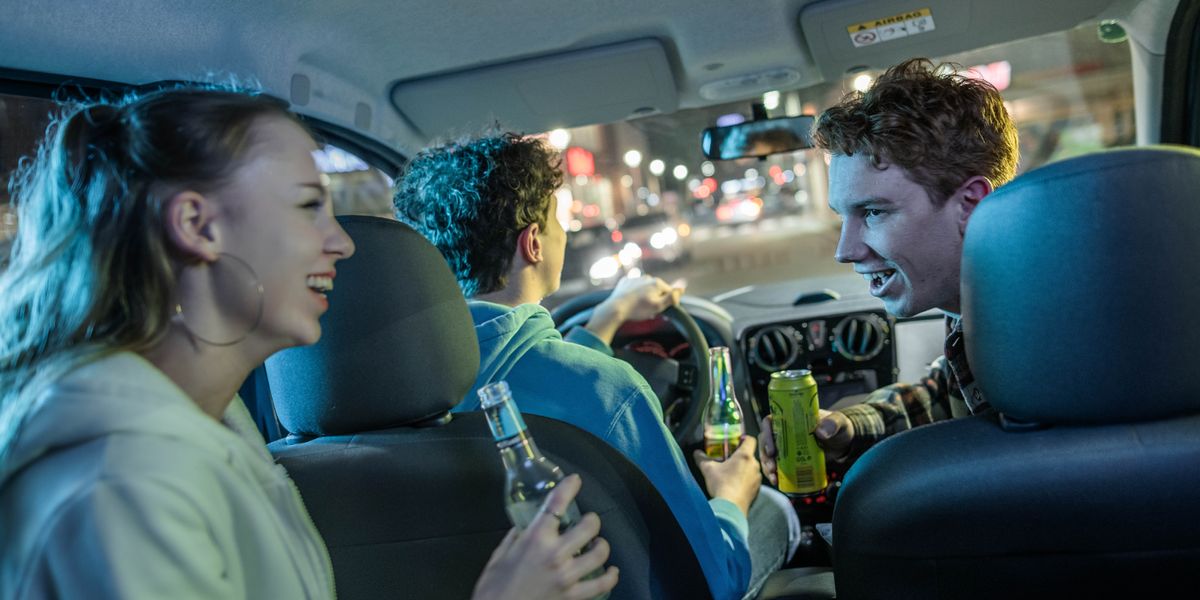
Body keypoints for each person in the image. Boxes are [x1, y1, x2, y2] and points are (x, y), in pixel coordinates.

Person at [0, 87, 617, 600]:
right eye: (307, 207)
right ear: (197, 226)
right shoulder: (126, 489)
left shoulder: (217, 445)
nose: (342, 243)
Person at [394, 132, 798, 600]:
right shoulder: (608, 390)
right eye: (557, 221)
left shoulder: (387, 394)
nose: (562, 232)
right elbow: (715, 582)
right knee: (767, 506)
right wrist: (730, 498)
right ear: (533, 244)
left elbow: (515, 364)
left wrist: (611, 315)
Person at [758, 58, 1020, 481]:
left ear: (969, 204)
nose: (845, 251)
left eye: (874, 212)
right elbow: (944, 391)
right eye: (843, 217)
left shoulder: (1039, 334)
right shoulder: (986, 313)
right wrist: (846, 428)